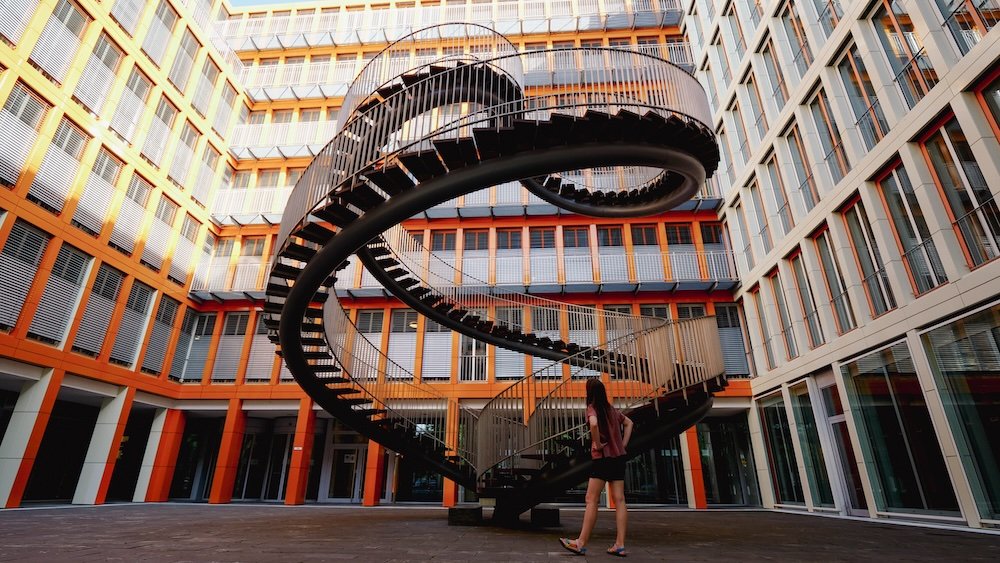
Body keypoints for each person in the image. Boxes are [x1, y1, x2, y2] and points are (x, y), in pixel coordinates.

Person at [559, 378, 634, 557]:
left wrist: (598, 443)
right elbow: (629, 423)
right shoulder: (612, 410)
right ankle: (620, 545)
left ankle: (580, 543)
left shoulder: (593, 408)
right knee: (620, 500)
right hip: (618, 459)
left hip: (602, 459)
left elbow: (593, 423)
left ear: (589, 392)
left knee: (591, 499)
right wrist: (622, 444)